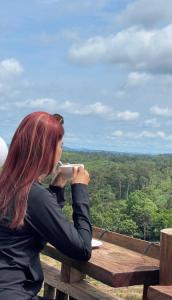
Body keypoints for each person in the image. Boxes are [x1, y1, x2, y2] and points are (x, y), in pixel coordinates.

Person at [0, 112, 92, 300]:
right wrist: (80, 189)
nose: (61, 151)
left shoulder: (7, 186)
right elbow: (82, 249)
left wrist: (56, 188)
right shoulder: (33, 195)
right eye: (61, 145)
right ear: (48, 150)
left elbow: (39, 220)